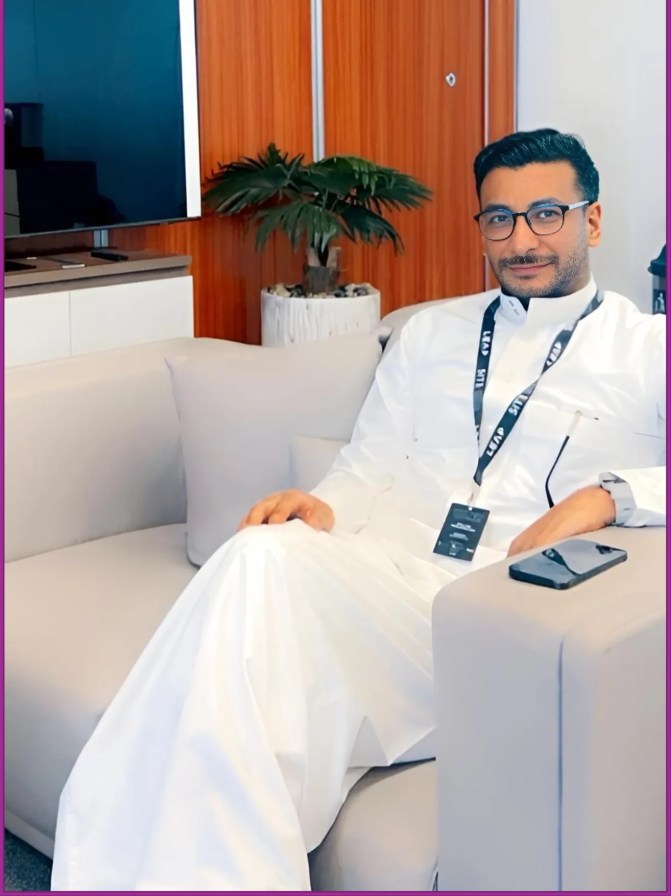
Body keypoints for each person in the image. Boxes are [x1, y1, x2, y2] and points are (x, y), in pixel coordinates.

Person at [51, 129, 665, 890]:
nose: (521, 240)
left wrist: (606, 495)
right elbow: (368, 465)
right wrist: (322, 505)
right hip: (378, 581)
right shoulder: (431, 333)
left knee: (242, 650)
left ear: (591, 221)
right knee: (262, 551)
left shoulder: (646, 349)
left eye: (546, 214)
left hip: (488, 617)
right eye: (499, 219)